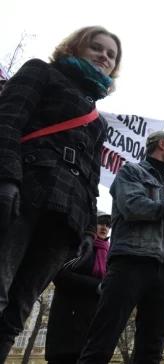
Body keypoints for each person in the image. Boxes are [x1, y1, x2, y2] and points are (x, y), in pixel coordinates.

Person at [0, 26, 121, 359]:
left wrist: (85, 230)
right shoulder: (41, 72)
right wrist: (7, 179)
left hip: (66, 220)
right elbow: (7, 122)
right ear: (75, 48)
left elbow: (92, 181)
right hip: (24, 196)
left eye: (111, 55)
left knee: (16, 312)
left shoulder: (99, 122)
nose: (104, 57)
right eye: (97, 48)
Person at [78, 131, 164, 363]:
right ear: (161, 144)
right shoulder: (131, 172)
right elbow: (134, 207)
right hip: (131, 263)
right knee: (103, 340)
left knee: (152, 349)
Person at [45, 210, 111, 363]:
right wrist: (97, 286)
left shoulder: (109, 254)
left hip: (92, 322)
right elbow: (60, 275)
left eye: (108, 225)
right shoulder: (79, 247)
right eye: (101, 222)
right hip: (68, 317)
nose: (104, 227)